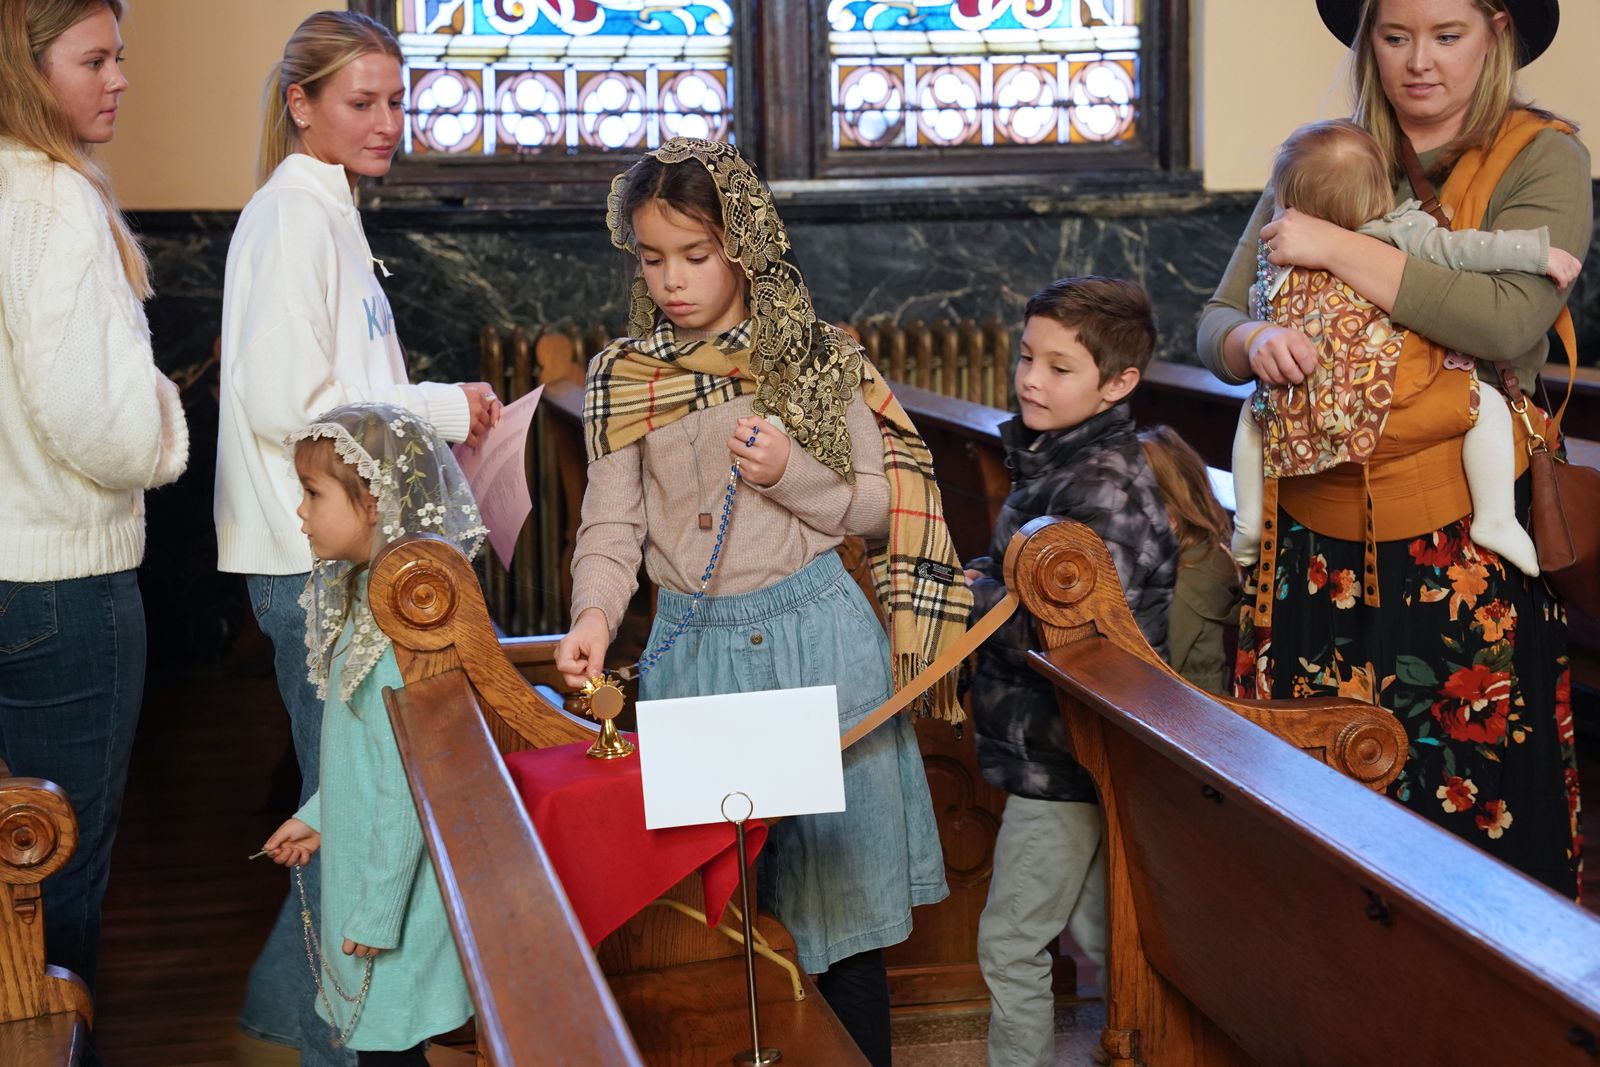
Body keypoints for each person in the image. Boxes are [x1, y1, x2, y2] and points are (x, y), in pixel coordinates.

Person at [553, 138, 965, 1067]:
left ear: (743, 245)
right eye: (654, 258)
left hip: (815, 643)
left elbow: (875, 500)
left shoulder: (814, 358)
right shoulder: (625, 376)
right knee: (724, 923)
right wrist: (591, 618)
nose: (673, 280)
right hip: (694, 652)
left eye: (695, 255)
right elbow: (612, 531)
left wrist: (792, 474)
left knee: (839, 921)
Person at [1197, 0, 1588, 898]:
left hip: (1458, 552)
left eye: (1447, 36)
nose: (1420, 63)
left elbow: (1505, 317)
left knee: (1471, 844)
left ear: (1496, 32)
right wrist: (1251, 344)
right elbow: (1216, 315)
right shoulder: (1327, 153)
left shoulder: (1542, 154)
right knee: (1314, 837)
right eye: (1395, 35)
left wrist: (1335, 247)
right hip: (1309, 551)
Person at [214, 11, 500, 1062]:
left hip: (334, 561)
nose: (387, 122)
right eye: (360, 102)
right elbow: (295, 402)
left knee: (349, 807)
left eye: (395, 100)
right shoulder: (293, 215)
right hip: (306, 563)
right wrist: (436, 406)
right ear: (302, 103)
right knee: (358, 817)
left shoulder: (325, 206)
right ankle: (341, 1037)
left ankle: (304, 1018)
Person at [0, 0, 189, 1015]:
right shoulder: (52, 198)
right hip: (62, 590)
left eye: (121, 56)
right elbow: (98, 424)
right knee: (54, 879)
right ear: (26, 71)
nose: (119, 79)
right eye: (95, 59)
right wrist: (162, 416)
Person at [965, 277, 1176, 1067]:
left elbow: (1064, 633)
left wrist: (968, 600)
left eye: (1059, 367)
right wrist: (982, 577)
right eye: (1027, 357)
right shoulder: (1056, 460)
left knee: (1011, 942)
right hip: (1056, 749)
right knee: (1099, 932)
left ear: (1118, 383)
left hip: (1070, 754)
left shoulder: (1104, 486)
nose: (1030, 379)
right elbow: (1022, 572)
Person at [1230, 118, 1582, 576]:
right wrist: (1538, 253)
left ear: (1289, 200)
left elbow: (1256, 301)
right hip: (1386, 389)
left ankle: (1249, 523)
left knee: (1254, 417)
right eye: (1395, 39)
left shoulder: (1283, 245)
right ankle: (1495, 516)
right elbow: (1469, 251)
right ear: (1381, 191)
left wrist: (1261, 335)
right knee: (1487, 405)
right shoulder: (1399, 227)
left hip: (1310, 400)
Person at [260, 403, 477, 1065]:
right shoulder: (364, 592)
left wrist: (380, 909)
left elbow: (412, 783)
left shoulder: (399, 627)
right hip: (366, 877)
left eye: (313, 493)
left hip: (394, 903)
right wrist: (320, 813)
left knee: (391, 1051)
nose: (300, 511)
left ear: (375, 501)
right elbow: (360, 748)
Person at [1138, 426, 1241, 696]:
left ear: (1168, 519)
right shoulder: (1205, 555)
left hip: (1188, 719)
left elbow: (1148, 676)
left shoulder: (1179, 589)